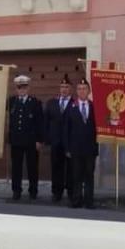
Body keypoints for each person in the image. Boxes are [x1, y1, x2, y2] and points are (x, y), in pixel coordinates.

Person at [7, 74, 45, 201]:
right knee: (16, 167)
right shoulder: (11, 101)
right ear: (16, 88)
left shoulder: (35, 103)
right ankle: (16, 190)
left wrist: (39, 140)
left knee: (32, 167)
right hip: (16, 141)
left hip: (31, 141)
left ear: (28, 88)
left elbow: (40, 122)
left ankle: (33, 191)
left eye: (23, 87)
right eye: (19, 88)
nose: (21, 90)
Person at [63, 78, 98, 209]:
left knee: (89, 175)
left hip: (90, 148)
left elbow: (98, 128)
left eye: (84, 89)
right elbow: (66, 129)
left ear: (89, 91)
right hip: (75, 148)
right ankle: (76, 200)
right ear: (76, 91)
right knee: (76, 176)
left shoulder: (94, 106)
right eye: (79, 89)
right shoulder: (71, 107)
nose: (82, 91)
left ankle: (89, 201)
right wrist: (67, 147)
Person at [44, 76, 73, 203]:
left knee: (71, 169)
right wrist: (46, 139)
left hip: (70, 143)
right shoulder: (52, 103)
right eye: (62, 87)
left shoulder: (75, 103)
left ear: (70, 89)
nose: (64, 89)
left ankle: (71, 192)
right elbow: (45, 122)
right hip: (55, 142)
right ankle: (57, 192)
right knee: (56, 168)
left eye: (66, 87)